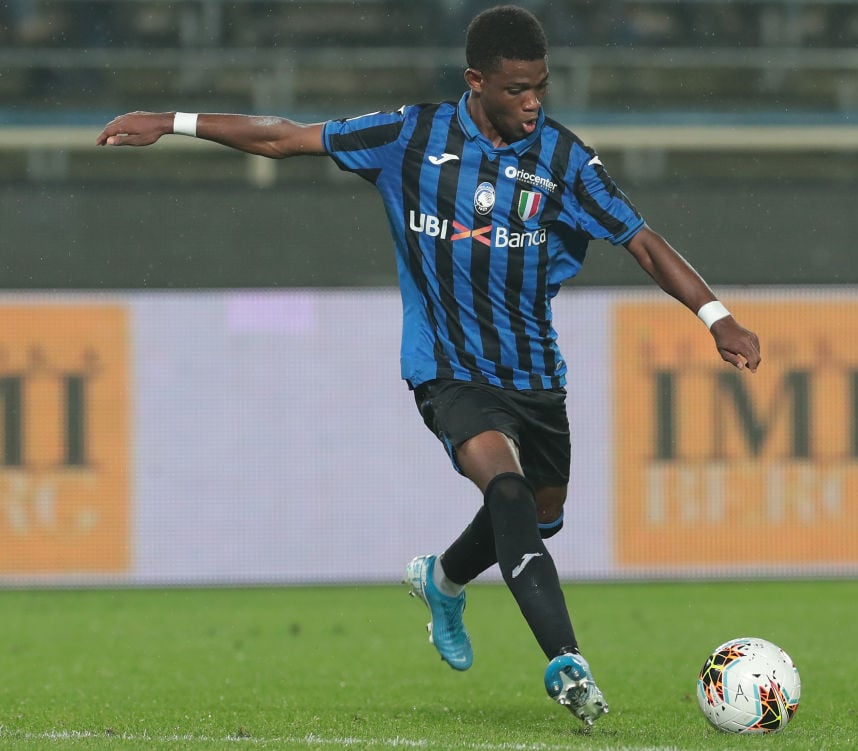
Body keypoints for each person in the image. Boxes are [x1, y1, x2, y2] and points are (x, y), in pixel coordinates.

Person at [96, 4, 760, 729]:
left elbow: (641, 240)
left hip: (535, 373)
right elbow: (285, 137)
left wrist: (715, 315)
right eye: (515, 90)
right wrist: (171, 119)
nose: (532, 102)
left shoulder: (564, 159)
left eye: (540, 86)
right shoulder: (411, 135)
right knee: (506, 493)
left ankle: (443, 580)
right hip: (446, 369)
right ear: (476, 82)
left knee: (542, 516)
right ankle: (567, 661)